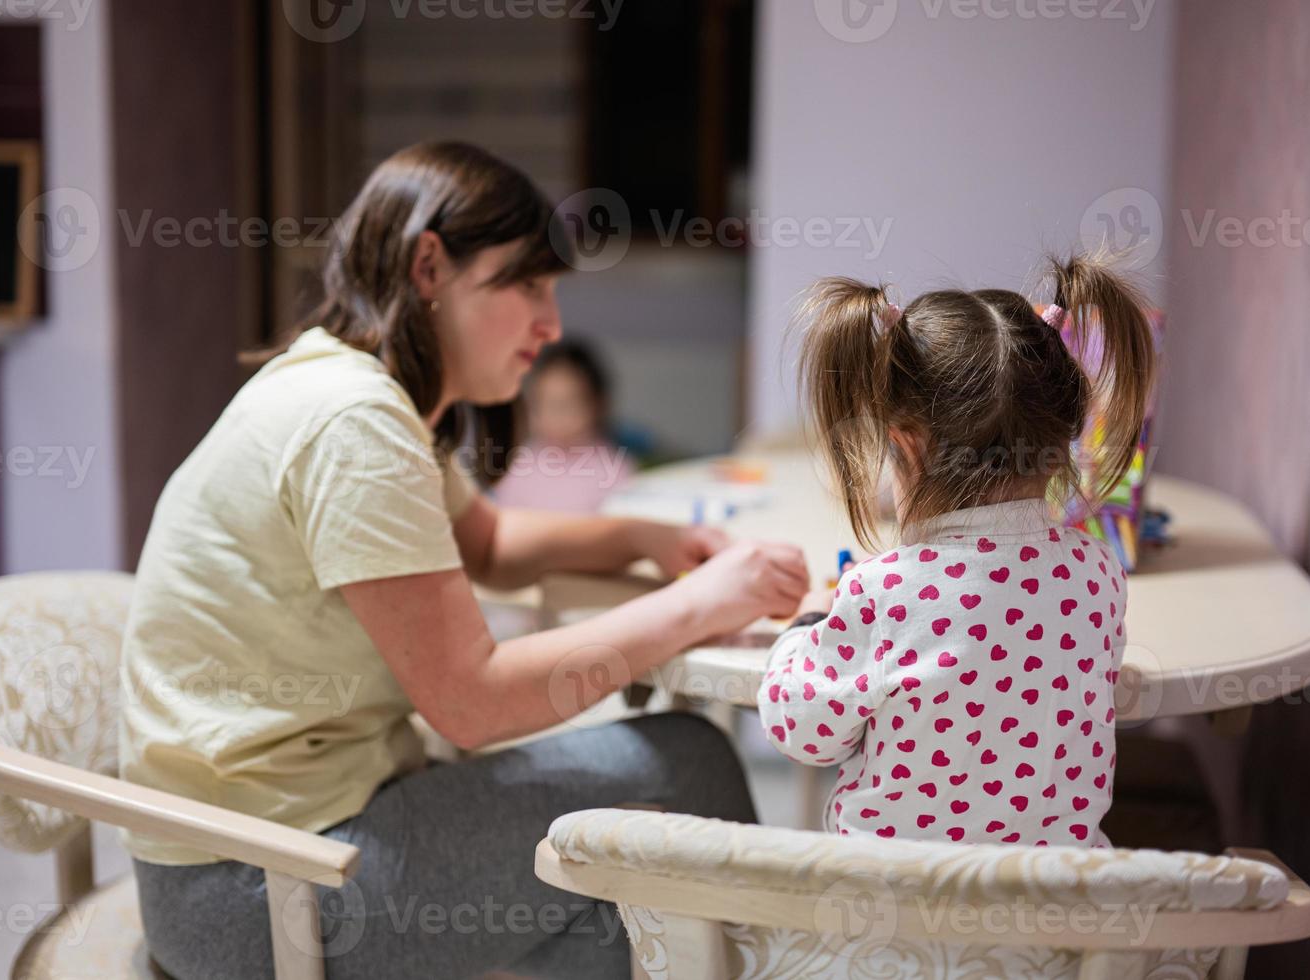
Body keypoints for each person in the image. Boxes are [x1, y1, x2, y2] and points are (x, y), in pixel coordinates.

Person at [119, 142, 808, 979]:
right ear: (430, 266)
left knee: (615, 913)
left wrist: (641, 539)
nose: (552, 326)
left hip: (245, 859)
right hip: (255, 887)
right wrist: (702, 603)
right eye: (527, 285)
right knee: (687, 761)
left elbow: (487, 543)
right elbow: (470, 704)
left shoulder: (352, 389)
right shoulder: (355, 425)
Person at [757, 254, 1157, 847]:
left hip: (884, 924)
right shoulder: (1096, 570)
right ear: (1059, 445)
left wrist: (808, 624)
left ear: (906, 448)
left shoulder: (884, 590)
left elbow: (803, 733)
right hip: (1053, 924)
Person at [491, 340, 636, 514]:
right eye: (543, 404)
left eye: (565, 405)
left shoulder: (614, 469)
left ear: (597, 404)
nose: (555, 417)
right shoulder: (517, 466)